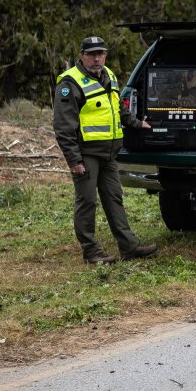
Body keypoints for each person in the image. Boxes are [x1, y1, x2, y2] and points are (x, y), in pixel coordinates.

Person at [53, 36, 158, 264]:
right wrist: (74, 160)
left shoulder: (108, 75)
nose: (97, 58)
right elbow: (63, 127)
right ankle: (91, 253)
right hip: (86, 155)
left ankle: (129, 248)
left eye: (100, 53)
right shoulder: (70, 83)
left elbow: (117, 108)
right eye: (91, 54)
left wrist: (137, 123)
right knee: (87, 202)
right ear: (81, 55)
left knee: (114, 199)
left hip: (109, 154)